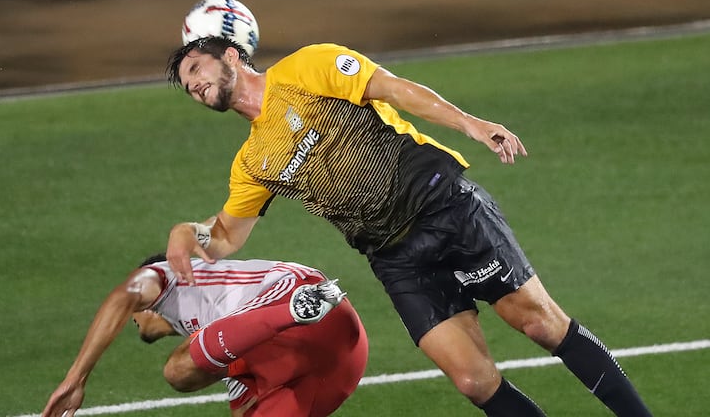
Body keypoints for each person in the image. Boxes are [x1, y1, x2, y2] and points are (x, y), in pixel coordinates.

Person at [163, 36, 653, 416]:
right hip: (393, 257)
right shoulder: (251, 161)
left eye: (195, 70)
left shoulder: (305, 67)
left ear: (230, 55)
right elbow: (226, 234)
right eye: (187, 87)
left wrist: (470, 124)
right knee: (473, 382)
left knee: (541, 324)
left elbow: (393, 88)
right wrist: (191, 232)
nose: (193, 86)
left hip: (442, 206)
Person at [41, 251, 368, 417]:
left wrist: (76, 379)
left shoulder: (170, 277)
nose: (132, 320)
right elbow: (242, 404)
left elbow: (122, 295)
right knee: (190, 367)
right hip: (336, 368)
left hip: (305, 297)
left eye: (134, 315)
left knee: (176, 370)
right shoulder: (218, 347)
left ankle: (296, 309)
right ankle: (296, 311)